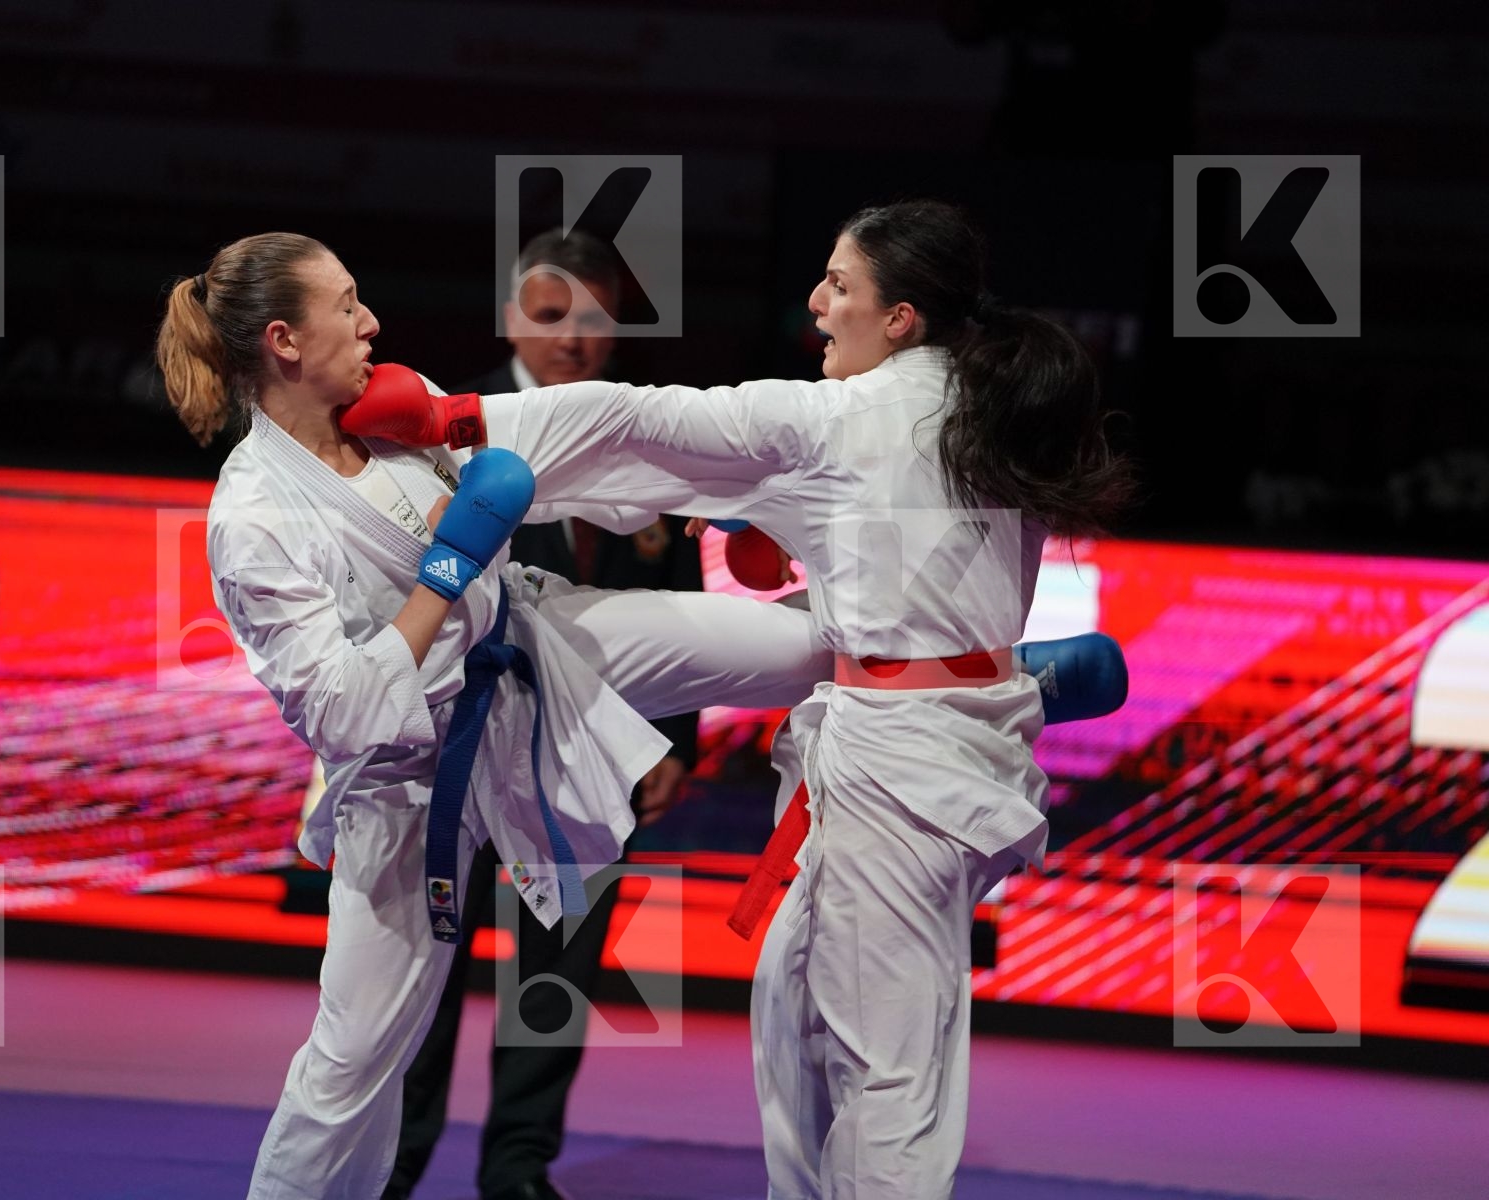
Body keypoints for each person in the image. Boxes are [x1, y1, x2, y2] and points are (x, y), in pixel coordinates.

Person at [340, 199, 1135, 1198]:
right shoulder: (992, 405)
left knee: (883, 1068)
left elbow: (645, 419)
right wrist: (779, 530)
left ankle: (522, 631)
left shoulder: (845, 418)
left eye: (839, 285)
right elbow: (896, 565)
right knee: (797, 1008)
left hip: (901, 764)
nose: (815, 302)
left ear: (899, 319)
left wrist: (460, 421)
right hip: (931, 738)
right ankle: (1025, 675)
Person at [154, 232, 845, 1200]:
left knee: (800, 650)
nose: (371, 321)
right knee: (355, 1064)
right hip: (409, 785)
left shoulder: (398, 406)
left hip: (532, 652)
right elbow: (347, 711)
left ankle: (977, 673)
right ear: (285, 341)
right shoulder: (254, 516)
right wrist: (443, 571)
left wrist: (722, 504)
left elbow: (560, 457)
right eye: (347, 305)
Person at [390, 230, 705, 1200]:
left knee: (554, 971)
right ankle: (395, 1163)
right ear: (509, 315)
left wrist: (672, 743)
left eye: (596, 319)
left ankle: (519, 1165)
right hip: (458, 750)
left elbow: (679, 613)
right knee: (424, 973)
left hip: (588, 754)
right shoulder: (441, 434)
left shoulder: (647, 441)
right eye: (551, 313)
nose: (574, 338)